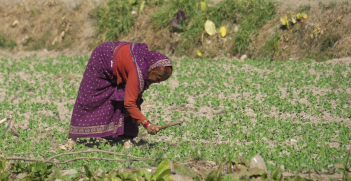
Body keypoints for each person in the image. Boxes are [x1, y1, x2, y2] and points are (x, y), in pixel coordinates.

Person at [65, 41, 173, 149]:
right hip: (103, 58)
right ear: (151, 71)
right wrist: (147, 124)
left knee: (125, 98)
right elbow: (129, 103)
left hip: (122, 65)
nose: (158, 82)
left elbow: (133, 97)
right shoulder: (137, 73)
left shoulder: (145, 64)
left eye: (161, 81)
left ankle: (126, 137)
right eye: (158, 79)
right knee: (89, 99)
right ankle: (72, 140)